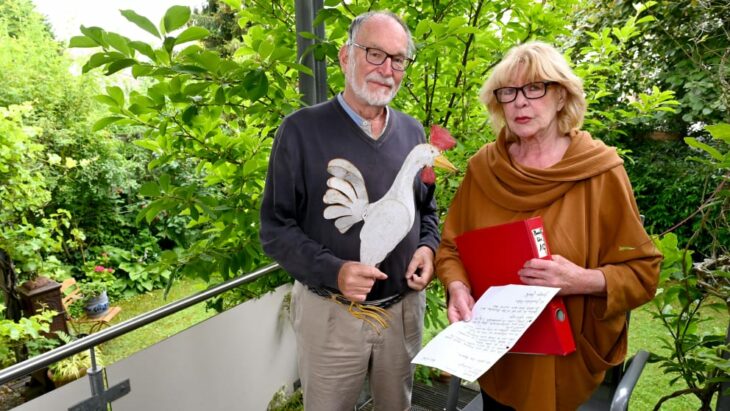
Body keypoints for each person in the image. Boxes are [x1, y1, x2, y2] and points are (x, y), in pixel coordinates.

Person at [435, 41, 662, 410]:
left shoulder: (601, 172)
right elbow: (451, 249)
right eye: (508, 92)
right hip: (500, 359)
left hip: (567, 365)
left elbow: (644, 273)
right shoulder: (483, 169)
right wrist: (458, 287)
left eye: (535, 88)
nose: (520, 102)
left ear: (561, 97)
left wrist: (580, 280)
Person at [260, 11, 440, 410]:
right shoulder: (300, 130)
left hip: (402, 312)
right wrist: (334, 271)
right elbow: (275, 228)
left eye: (397, 60)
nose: (387, 69)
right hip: (332, 316)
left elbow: (428, 210)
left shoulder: (412, 131)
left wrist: (428, 248)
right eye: (374, 54)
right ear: (345, 57)